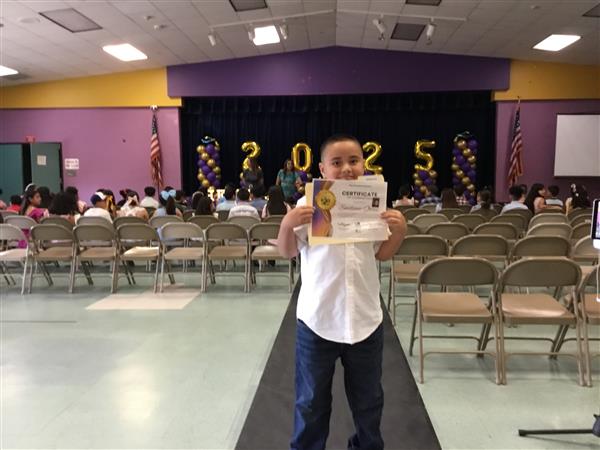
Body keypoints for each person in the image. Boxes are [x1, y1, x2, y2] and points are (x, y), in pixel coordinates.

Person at [277, 134, 406, 450]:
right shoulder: (309, 205)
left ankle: (366, 445)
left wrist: (399, 231)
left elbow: (382, 253)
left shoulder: (374, 204)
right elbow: (287, 251)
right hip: (318, 319)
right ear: (322, 169)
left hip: (364, 320)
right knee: (310, 401)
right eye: (337, 162)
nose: (347, 168)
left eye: (354, 161)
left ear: (364, 164)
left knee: (369, 399)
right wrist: (287, 224)